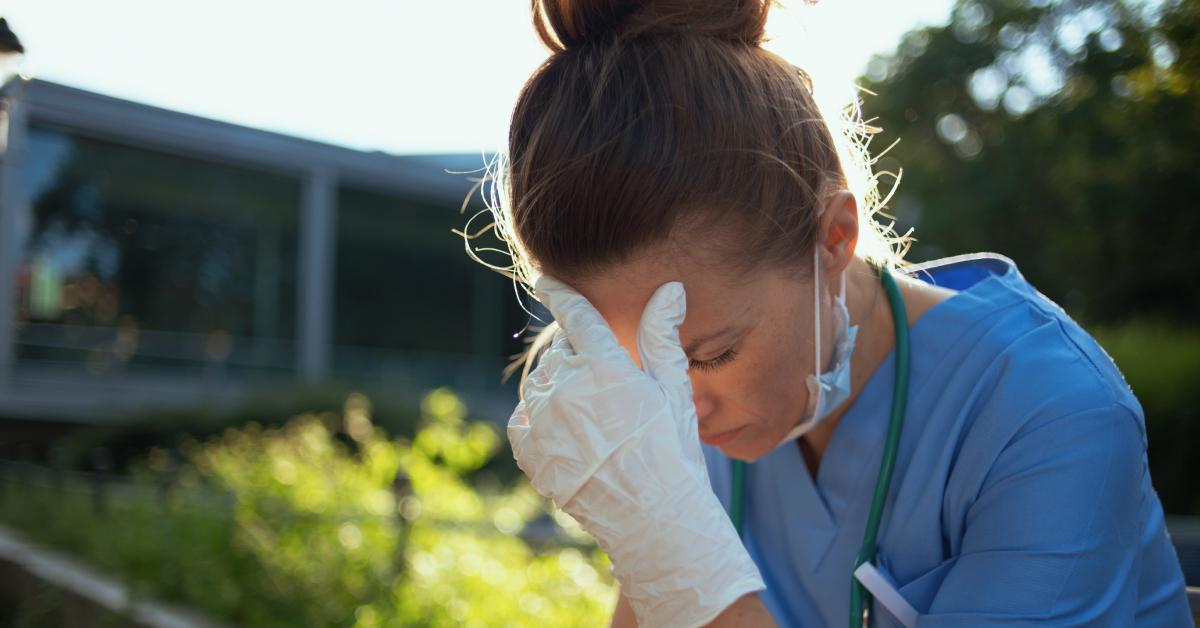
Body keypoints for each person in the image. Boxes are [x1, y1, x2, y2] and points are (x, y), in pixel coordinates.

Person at [488, 0, 1194, 626]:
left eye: (709, 355)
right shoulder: (678, 413)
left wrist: (690, 583)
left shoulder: (1052, 413)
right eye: (642, 370)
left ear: (833, 239)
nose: (684, 406)